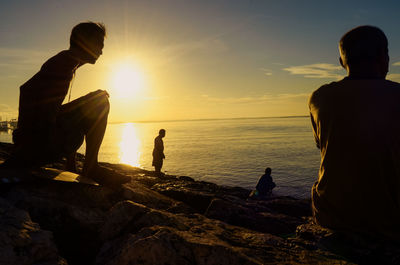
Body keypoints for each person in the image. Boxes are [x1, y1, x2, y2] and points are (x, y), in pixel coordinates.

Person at [1, 22, 130, 186]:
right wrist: (24, 146)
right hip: (35, 148)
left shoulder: (66, 62)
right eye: (99, 44)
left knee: (94, 99)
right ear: (86, 42)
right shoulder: (63, 65)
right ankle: (91, 167)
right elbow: (35, 100)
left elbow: (37, 98)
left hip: (31, 146)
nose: (102, 51)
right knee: (100, 101)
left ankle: (75, 164)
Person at [309, 25, 400, 240]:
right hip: (393, 221)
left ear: (342, 62)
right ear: (383, 57)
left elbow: (322, 145)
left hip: (333, 215)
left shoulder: (319, 98)